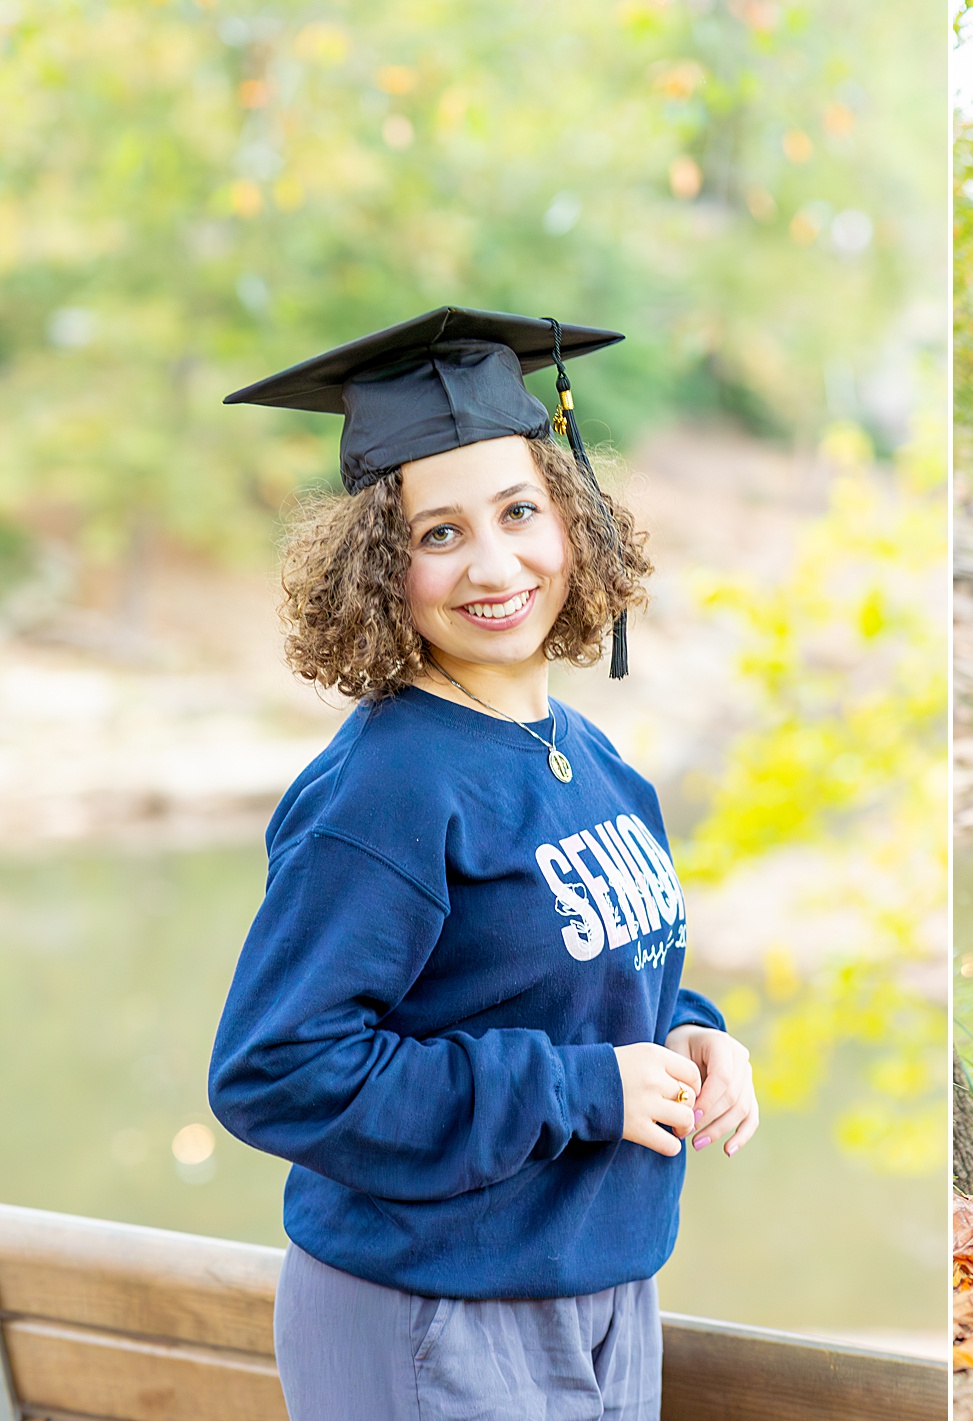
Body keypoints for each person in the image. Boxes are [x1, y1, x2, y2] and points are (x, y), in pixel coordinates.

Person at [208, 307, 759, 1419]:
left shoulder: (590, 755)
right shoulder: (386, 791)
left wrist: (689, 1029)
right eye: (439, 533)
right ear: (379, 564)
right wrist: (579, 1086)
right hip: (432, 1306)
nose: (495, 563)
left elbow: (569, 969)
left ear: (573, 519)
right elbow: (275, 1066)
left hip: (603, 1289)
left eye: (520, 511)